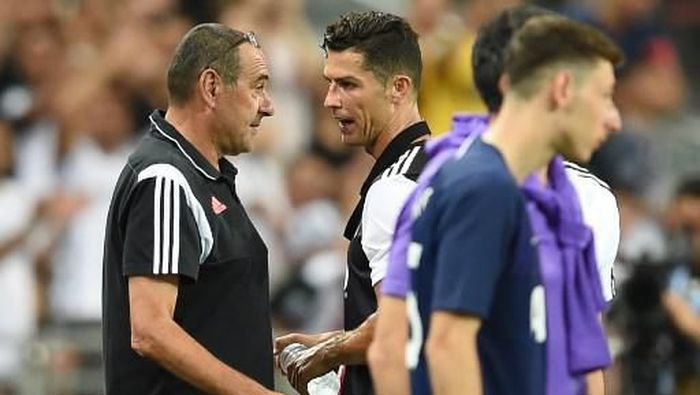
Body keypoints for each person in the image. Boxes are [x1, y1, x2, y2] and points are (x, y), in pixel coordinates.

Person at [369, 6, 621, 395]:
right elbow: (444, 344)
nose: (613, 119)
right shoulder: (483, 189)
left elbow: (578, 358)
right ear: (562, 88)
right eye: (604, 96)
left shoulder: (563, 200)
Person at [101, 23, 282, 395]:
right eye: (258, 87)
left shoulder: (201, 174)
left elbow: (210, 315)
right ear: (212, 87)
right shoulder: (166, 178)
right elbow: (150, 331)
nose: (268, 106)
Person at [273, 11, 430, 395]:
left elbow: (402, 323)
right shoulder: (443, 168)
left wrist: (329, 354)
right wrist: (337, 341)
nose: (330, 101)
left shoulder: (395, 187)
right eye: (329, 84)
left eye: (348, 85)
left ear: (399, 87)